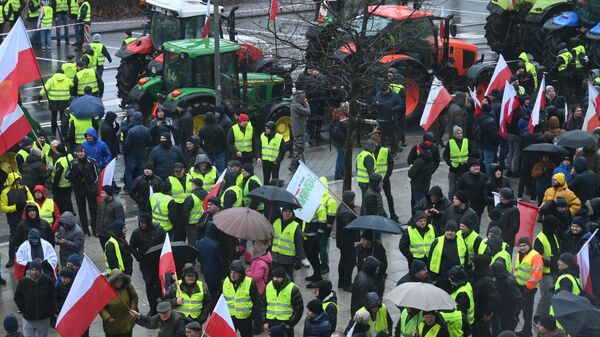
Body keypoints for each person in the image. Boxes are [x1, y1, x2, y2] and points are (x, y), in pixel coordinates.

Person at [130, 212, 165, 315]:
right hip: (146, 265)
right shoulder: (137, 232)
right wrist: (139, 258)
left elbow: (165, 243)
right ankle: (152, 308)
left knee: (159, 285)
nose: (141, 225)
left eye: (143, 223)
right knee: (149, 286)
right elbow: (132, 246)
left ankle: (160, 306)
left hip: (158, 263)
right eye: (140, 222)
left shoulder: (159, 230)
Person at [13, 259, 55, 337]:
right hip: (28, 319)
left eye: (36, 270)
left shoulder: (48, 280)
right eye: (32, 270)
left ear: (40, 270)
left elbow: (53, 296)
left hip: (44, 319)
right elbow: (17, 297)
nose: (34, 272)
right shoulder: (23, 281)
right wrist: (24, 309)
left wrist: (50, 310)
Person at [222, 260, 261, 337]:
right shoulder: (224, 282)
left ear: (241, 273)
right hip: (230, 317)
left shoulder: (250, 283)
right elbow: (220, 300)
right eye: (231, 272)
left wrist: (252, 316)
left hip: (245, 318)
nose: (232, 275)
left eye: (235, 273)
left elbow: (256, 302)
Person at [261, 267, 304, 337]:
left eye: (278, 277)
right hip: (271, 322)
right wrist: (264, 321)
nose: (275, 279)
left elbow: (299, 310)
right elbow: (263, 305)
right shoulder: (269, 286)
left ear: (284, 278)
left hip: (285, 323)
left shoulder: (292, 288)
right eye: (274, 277)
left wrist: (290, 324)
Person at [514, 237, 543, 337]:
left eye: (524, 245)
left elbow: (537, 274)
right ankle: (526, 331)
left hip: (529, 289)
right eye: (520, 245)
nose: (522, 248)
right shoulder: (519, 254)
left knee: (527, 311)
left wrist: (528, 287)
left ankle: (527, 332)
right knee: (522, 310)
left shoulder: (535, 256)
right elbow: (516, 268)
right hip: (519, 286)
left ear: (529, 245)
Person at [534, 215, 561, 316]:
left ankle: (546, 316)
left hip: (554, 271)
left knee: (551, 295)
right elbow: (537, 257)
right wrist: (552, 263)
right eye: (555, 227)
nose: (556, 229)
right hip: (546, 274)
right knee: (546, 296)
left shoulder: (552, 235)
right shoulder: (540, 239)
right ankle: (538, 317)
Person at [68, 145, 99, 235]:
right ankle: (85, 230)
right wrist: (73, 174)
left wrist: (93, 187)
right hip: (79, 190)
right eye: (78, 152)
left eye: (82, 151)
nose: (80, 153)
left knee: (93, 210)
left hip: (90, 190)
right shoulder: (73, 163)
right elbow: (67, 175)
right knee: (81, 211)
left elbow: (97, 175)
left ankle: (95, 229)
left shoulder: (91, 161)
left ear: (85, 152)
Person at [100, 269, 138, 337]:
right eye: (119, 282)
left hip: (127, 322)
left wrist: (132, 309)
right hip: (113, 324)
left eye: (122, 281)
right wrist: (108, 317)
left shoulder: (127, 286)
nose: (121, 283)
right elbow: (101, 306)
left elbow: (134, 297)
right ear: (113, 281)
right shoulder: (105, 290)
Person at [428, 222, 467, 287]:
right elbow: (430, 261)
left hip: (456, 278)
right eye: (447, 230)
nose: (449, 232)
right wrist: (433, 278)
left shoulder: (462, 242)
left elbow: (466, 259)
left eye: (452, 231)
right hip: (441, 278)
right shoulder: (437, 242)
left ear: (456, 232)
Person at [271, 206, 303, 281]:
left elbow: (299, 244)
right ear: (282, 213)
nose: (288, 213)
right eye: (286, 211)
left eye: (290, 212)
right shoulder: (276, 222)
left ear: (293, 213)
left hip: (288, 260)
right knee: (275, 279)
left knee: (288, 280)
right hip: (275, 257)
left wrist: (298, 260)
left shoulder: (295, 226)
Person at [335, 190, 359, 291]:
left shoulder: (344, 207)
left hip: (343, 242)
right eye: (354, 198)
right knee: (349, 263)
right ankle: (347, 284)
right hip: (348, 243)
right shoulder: (346, 212)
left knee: (343, 261)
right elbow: (348, 227)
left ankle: (342, 282)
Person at [472, 255, 500, 337]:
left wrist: (487, 313)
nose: (472, 265)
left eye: (474, 264)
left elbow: (494, 297)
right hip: (477, 313)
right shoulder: (477, 275)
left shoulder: (486, 281)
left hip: (481, 315)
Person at [197, 222, 225, 300]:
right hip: (217, 275)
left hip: (207, 273)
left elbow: (199, 259)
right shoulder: (217, 245)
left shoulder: (201, 242)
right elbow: (222, 262)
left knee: (212, 293)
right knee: (219, 295)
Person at [123, 111, 151, 191]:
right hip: (142, 154)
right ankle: (141, 188)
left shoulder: (131, 131)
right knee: (141, 173)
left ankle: (131, 189)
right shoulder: (146, 130)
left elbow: (128, 144)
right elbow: (149, 142)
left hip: (132, 155)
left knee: (129, 173)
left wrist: (126, 152)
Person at [372, 83, 403, 155]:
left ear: (388, 89)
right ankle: (383, 152)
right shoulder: (378, 94)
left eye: (385, 91)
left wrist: (394, 109)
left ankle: (394, 152)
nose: (384, 93)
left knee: (393, 136)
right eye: (383, 91)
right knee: (382, 136)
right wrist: (376, 104)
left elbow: (400, 104)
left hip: (391, 119)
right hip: (381, 119)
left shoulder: (395, 95)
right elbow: (373, 104)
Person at [40, 68, 73, 136]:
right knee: (63, 117)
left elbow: (45, 89)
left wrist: (40, 96)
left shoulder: (51, 80)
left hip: (53, 101)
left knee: (53, 117)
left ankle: (53, 133)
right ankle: (63, 133)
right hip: (64, 101)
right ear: (63, 73)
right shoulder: (67, 79)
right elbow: (72, 84)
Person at [455, 159, 488, 225]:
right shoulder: (463, 177)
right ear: (470, 168)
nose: (476, 167)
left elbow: (486, 192)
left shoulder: (484, 177)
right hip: (466, 205)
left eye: (478, 166)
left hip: (478, 206)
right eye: (474, 166)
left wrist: (483, 204)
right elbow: (458, 191)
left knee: (476, 224)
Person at [444, 126, 473, 197]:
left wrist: (469, 163)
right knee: (452, 189)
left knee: (465, 187)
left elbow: (471, 154)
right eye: (457, 133)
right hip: (454, 169)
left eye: (461, 133)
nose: (459, 135)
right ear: (454, 134)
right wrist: (450, 163)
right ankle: (451, 203)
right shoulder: (450, 143)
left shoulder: (467, 141)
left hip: (465, 168)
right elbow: (445, 155)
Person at [356, 230, 387, 296]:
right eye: (361, 239)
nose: (362, 242)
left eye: (364, 240)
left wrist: (378, 269)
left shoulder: (379, 249)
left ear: (370, 241)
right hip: (365, 281)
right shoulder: (361, 250)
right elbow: (359, 266)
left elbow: (384, 264)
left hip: (376, 281)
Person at [408, 142, 434, 208]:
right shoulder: (430, 158)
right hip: (425, 185)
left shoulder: (419, 161)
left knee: (419, 206)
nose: (417, 150)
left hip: (417, 186)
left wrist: (411, 167)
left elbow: (410, 174)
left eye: (418, 149)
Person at [289, 91, 310, 172]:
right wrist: (306, 103)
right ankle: (293, 166)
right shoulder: (296, 105)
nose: (304, 99)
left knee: (299, 148)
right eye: (303, 97)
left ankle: (299, 165)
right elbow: (308, 112)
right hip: (299, 130)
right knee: (298, 149)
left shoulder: (294, 104)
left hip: (297, 130)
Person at [50, 145, 74, 213]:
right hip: (69, 184)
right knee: (68, 200)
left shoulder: (60, 162)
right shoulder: (70, 156)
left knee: (59, 203)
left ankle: (61, 214)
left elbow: (57, 177)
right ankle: (70, 212)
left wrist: (54, 189)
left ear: (59, 152)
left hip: (60, 186)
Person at [356, 140, 376, 205]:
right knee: (367, 201)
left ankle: (363, 214)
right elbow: (371, 172)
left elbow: (357, 168)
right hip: (367, 182)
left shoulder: (360, 154)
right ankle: (364, 214)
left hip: (361, 181)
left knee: (364, 200)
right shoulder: (368, 157)